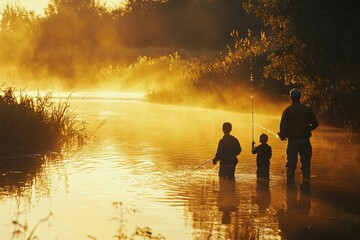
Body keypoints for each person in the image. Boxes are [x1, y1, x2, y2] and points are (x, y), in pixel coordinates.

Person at [278, 88, 319, 183]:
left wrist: (281, 135)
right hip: (305, 141)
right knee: (306, 164)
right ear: (300, 97)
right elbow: (315, 124)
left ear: (291, 97)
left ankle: (290, 188)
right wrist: (307, 129)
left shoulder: (287, 111)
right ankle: (306, 185)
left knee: (291, 165)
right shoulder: (307, 109)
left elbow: (283, 129)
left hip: (292, 142)